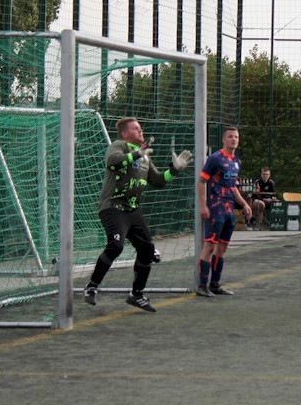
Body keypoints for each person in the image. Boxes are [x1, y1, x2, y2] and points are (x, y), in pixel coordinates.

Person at [83, 117, 194, 313]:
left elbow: (159, 181)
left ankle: (137, 295)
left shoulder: (144, 156)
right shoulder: (119, 146)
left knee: (147, 251)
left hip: (132, 209)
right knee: (115, 246)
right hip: (113, 206)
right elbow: (112, 162)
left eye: (141, 128)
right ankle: (91, 286)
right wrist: (136, 154)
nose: (141, 131)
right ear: (125, 133)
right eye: (136, 128)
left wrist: (174, 170)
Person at [196, 127, 252, 297]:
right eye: (230, 136)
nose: (234, 139)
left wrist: (244, 204)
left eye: (236, 137)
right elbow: (201, 181)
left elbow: (232, 187)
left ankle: (215, 285)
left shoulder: (236, 161)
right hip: (216, 207)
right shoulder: (215, 159)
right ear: (223, 140)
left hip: (229, 209)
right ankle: (202, 286)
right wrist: (203, 205)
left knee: (223, 248)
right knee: (210, 246)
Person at [249, 166, 277, 231]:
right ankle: (259, 223)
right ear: (261, 174)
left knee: (279, 203)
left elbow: (274, 194)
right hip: (258, 201)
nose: (265, 176)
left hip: (269, 201)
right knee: (261, 204)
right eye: (264, 174)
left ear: (269, 175)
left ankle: (277, 224)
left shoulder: (271, 183)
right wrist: (264, 200)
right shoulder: (257, 182)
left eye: (267, 174)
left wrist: (273, 198)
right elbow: (255, 196)